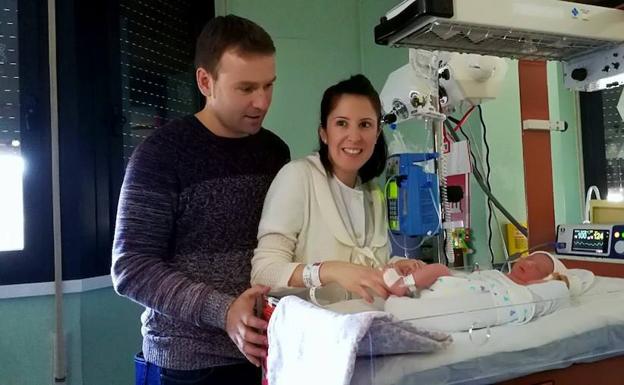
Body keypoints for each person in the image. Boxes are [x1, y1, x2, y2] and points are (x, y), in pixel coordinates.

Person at [112, 15, 290, 384]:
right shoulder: (160, 154)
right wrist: (223, 311)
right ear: (205, 81)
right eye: (246, 88)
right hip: (189, 362)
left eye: (268, 86)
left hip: (268, 350)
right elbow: (131, 267)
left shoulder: (275, 152)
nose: (261, 101)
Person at [251, 74, 421, 306]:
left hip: (363, 329)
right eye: (342, 123)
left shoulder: (373, 193)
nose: (354, 136)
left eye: (365, 124)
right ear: (324, 133)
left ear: (377, 133)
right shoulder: (298, 177)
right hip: (312, 334)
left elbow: (363, 270)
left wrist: (393, 266)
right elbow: (264, 273)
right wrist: (329, 270)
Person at [384, 252, 595, 332]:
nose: (527, 263)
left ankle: (403, 285)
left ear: (542, 280)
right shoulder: (495, 273)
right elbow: (466, 278)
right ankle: (406, 282)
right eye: (528, 258)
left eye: (536, 267)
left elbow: (561, 287)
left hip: (463, 296)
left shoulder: (519, 291)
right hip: (453, 286)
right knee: (438, 270)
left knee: (439, 269)